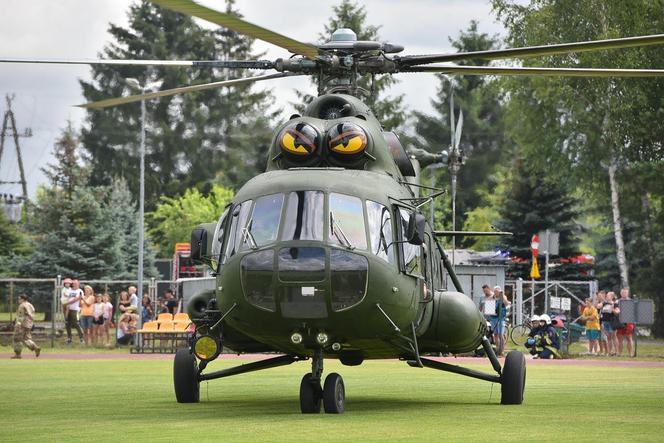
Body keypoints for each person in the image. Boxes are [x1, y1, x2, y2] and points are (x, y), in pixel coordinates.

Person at [11, 293, 41, 359]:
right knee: (26, 338)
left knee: (16, 339)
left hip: (22, 325)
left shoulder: (22, 305)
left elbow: (20, 316)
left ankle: (18, 354)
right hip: (29, 324)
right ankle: (35, 348)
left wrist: (18, 324)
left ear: (23, 299)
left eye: (19, 299)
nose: (18, 300)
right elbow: (32, 314)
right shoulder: (30, 305)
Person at [615, 287, 635, 357]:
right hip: (620, 322)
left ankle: (630, 354)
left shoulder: (631, 301)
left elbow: (633, 312)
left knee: (629, 338)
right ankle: (619, 354)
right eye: (623, 292)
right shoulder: (617, 301)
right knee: (620, 338)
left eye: (625, 292)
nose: (624, 294)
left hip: (629, 322)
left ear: (628, 293)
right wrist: (616, 311)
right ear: (620, 293)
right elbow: (615, 311)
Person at [491, 286, 510, 356]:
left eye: (498, 291)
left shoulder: (503, 297)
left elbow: (506, 303)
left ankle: (502, 350)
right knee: (495, 334)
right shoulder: (492, 297)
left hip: (501, 318)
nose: (496, 293)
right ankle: (497, 349)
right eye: (495, 291)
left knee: (500, 334)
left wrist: (502, 296)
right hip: (493, 318)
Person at [64, 279, 84, 344]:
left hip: (75, 309)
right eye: (73, 283)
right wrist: (67, 303)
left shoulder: (80, 291)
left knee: (76, 324)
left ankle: (81, 339)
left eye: (76, 283)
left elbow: (79, 299)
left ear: (78, 284)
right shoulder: (69, 290)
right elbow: (66, 299)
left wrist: (69, 302)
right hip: (68, 309)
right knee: (67, 324)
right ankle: (69, 338)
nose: (74, 284)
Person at [600, 291, 619, 356]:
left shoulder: (614, 303)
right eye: (607, 295)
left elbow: (617, 312)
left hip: (612, 321)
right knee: (608, 337)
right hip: (605, 322)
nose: (607, 297)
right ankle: (610, 352)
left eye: (608, 295)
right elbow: (598, 306)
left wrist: (612, 308)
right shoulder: (604, 303)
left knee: (614, 336)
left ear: (612, 297)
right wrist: (600, 301)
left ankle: (617, 352)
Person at [595, 290, 608, 356]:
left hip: (603, 321)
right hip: (598, 322)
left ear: (604, 295)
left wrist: (601, 301)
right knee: (599, 337)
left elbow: (598, 306)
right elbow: (595, 307)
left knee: (604, 337)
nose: (599, 297)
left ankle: (606, 351)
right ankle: (601, 350)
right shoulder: (598, 302)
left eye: (600, 295)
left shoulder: (606, 302)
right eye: (598, 296)